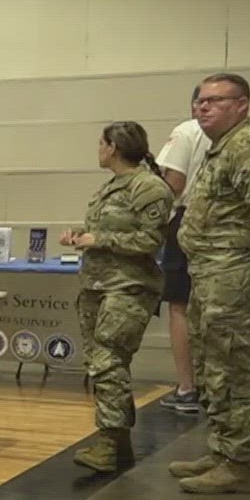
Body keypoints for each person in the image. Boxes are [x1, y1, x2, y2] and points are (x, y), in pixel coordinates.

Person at [170, 73, 250, 494]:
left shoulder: (248, 148)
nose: (202, 108)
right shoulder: (218, 149)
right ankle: (222, 450)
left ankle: (237, 464)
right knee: (211, 364)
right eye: (200, 101)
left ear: (242, 105)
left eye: (215, 101)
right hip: (209, 272)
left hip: (233, 275)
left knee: (232, 365)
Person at [60, 123, 172, 473]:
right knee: (101, 363)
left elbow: (149, 242)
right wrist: (81, 235)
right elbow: (109, 229)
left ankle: (108, 442)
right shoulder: (111, 186)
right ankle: (118, 441)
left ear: (114, 147)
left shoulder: (149, 187)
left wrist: (100, 239)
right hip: (98, 286)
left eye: (100, 143)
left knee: (108, 361)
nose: (97, 149)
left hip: (128, 287)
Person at [154, 89, 212, 414]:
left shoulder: (187, 130)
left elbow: (174, 183)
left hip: (189, 219)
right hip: (226, 229)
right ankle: (214, 388)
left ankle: (187, 387)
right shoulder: (247, 138)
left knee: (180, 306)